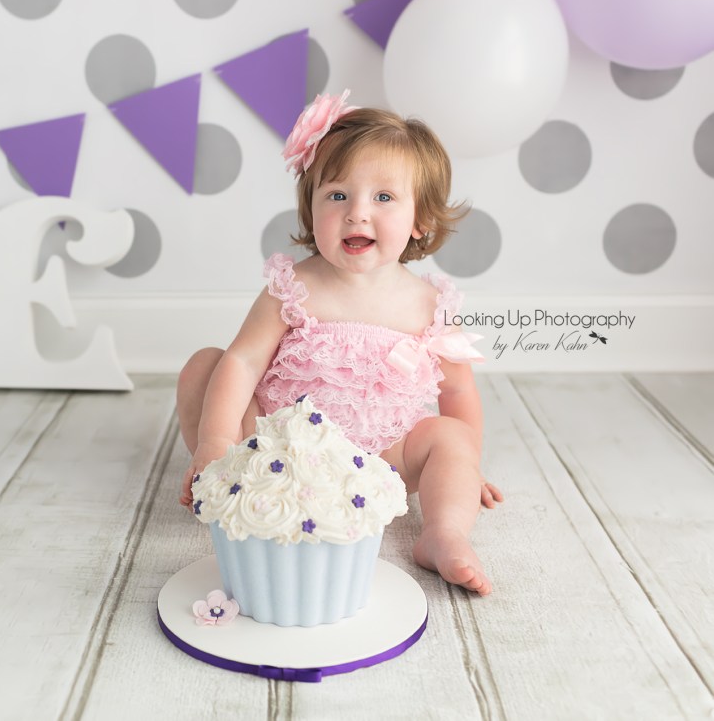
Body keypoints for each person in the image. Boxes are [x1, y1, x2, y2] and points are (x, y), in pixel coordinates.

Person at [176, 91, 503, 596]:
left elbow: (458, 393)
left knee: (453, 439)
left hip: (385, 460)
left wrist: (466, 468)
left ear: (420, 219)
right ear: (310, 209)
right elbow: (242, 362)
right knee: (207, 365)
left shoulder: (429, 304)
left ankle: (444, 532)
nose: (357, 213)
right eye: (337, 195)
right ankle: (236, 487)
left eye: (384, 198)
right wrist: (216, 440)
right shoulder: (293, 287)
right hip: (279, 451)